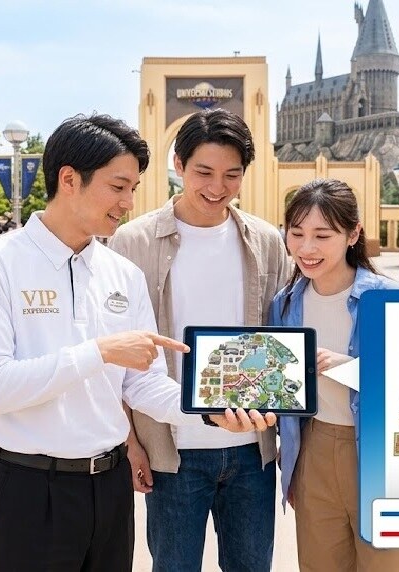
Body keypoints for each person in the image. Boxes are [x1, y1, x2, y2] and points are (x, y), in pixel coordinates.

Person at [0, 113, 275, 571]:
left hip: (108, 491)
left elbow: (144, 385)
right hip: (26, 489)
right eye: (118, 186)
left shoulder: (119, 272)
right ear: (69, 179)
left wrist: (209, 409)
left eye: (133, 188)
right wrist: (99, 353)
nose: (128, 202)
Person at [109, 108, 289, 571]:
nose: (217, 187)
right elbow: (114, 354)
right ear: (178, 164)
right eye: (204, 172)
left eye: (232, 175)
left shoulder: (267, 242)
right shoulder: (133, 241)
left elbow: (286, 340)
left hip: (252, 450)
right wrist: (130, 441)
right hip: (170, 451)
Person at [271, 178, 399, 572]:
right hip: (314, 451)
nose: (307, 248)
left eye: (323, 235)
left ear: (353, 233)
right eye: (298, 233)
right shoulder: (284, 305)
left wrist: (348, 368)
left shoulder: (392, 299)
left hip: (385, 455)